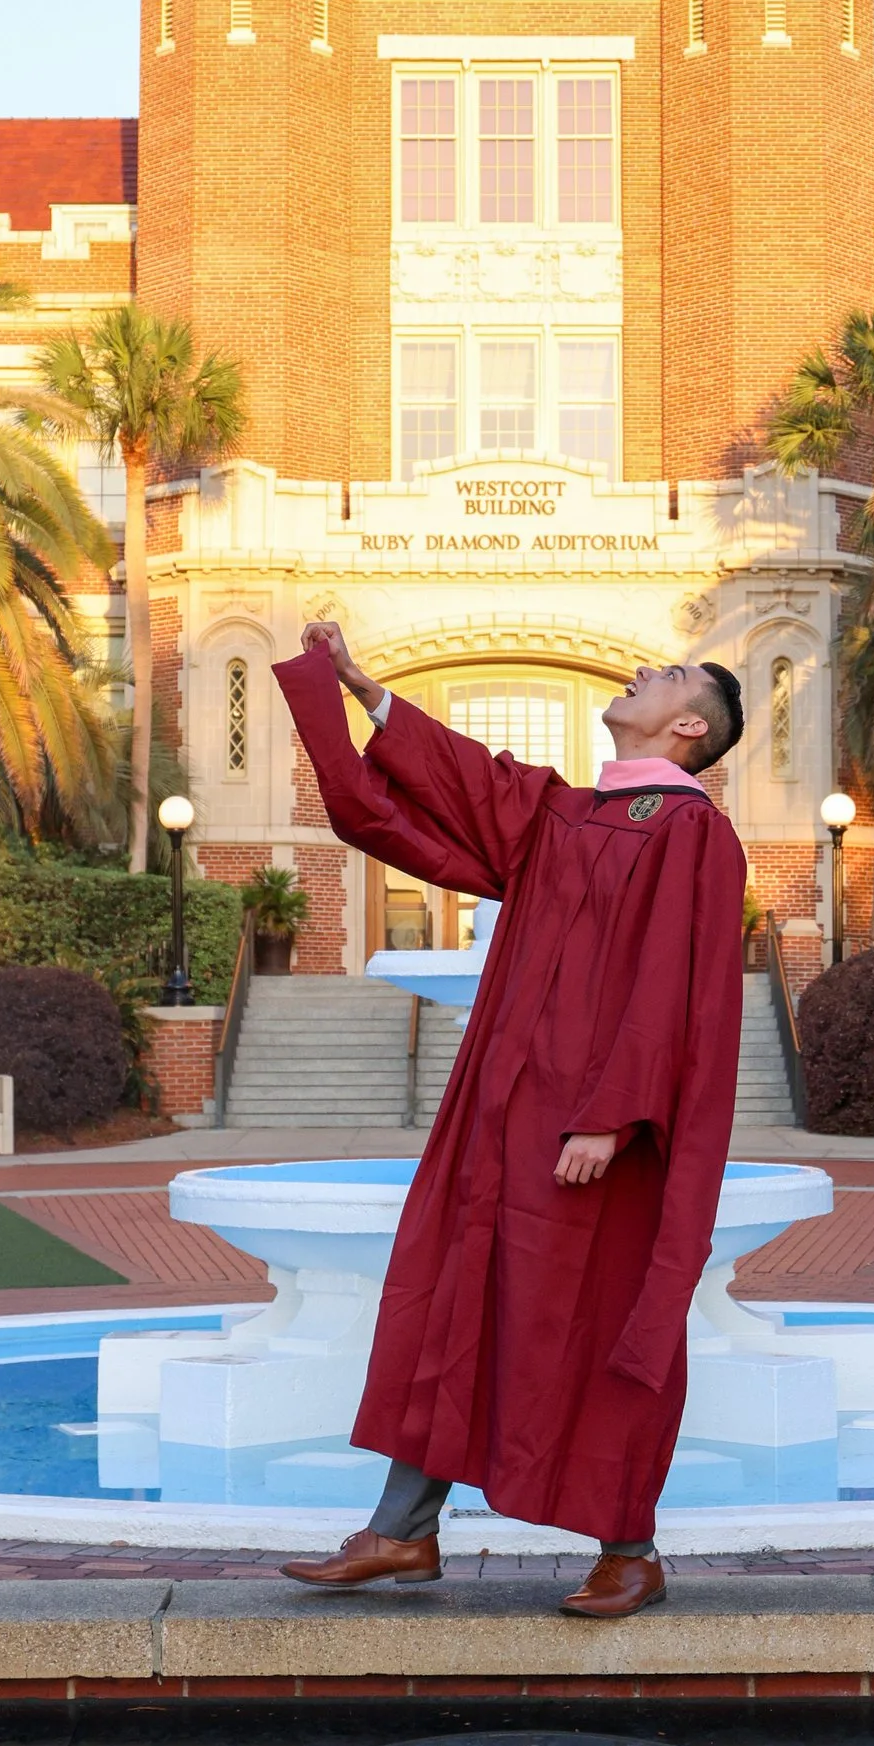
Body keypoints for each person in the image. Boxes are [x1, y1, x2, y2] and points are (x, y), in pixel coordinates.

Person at [272, 623, 746, 1618]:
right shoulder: (564, 813)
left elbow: (673, 984)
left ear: (691, 725)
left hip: (592, 1136)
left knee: (596, 1312)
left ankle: (630, 1548)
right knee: (452, 1296)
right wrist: (362, 690)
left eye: (668, 675)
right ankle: (402, 1530)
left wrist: (611, 1118)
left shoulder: (690, 830)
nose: (642, 668)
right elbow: (467, 778)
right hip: (500, 1114)